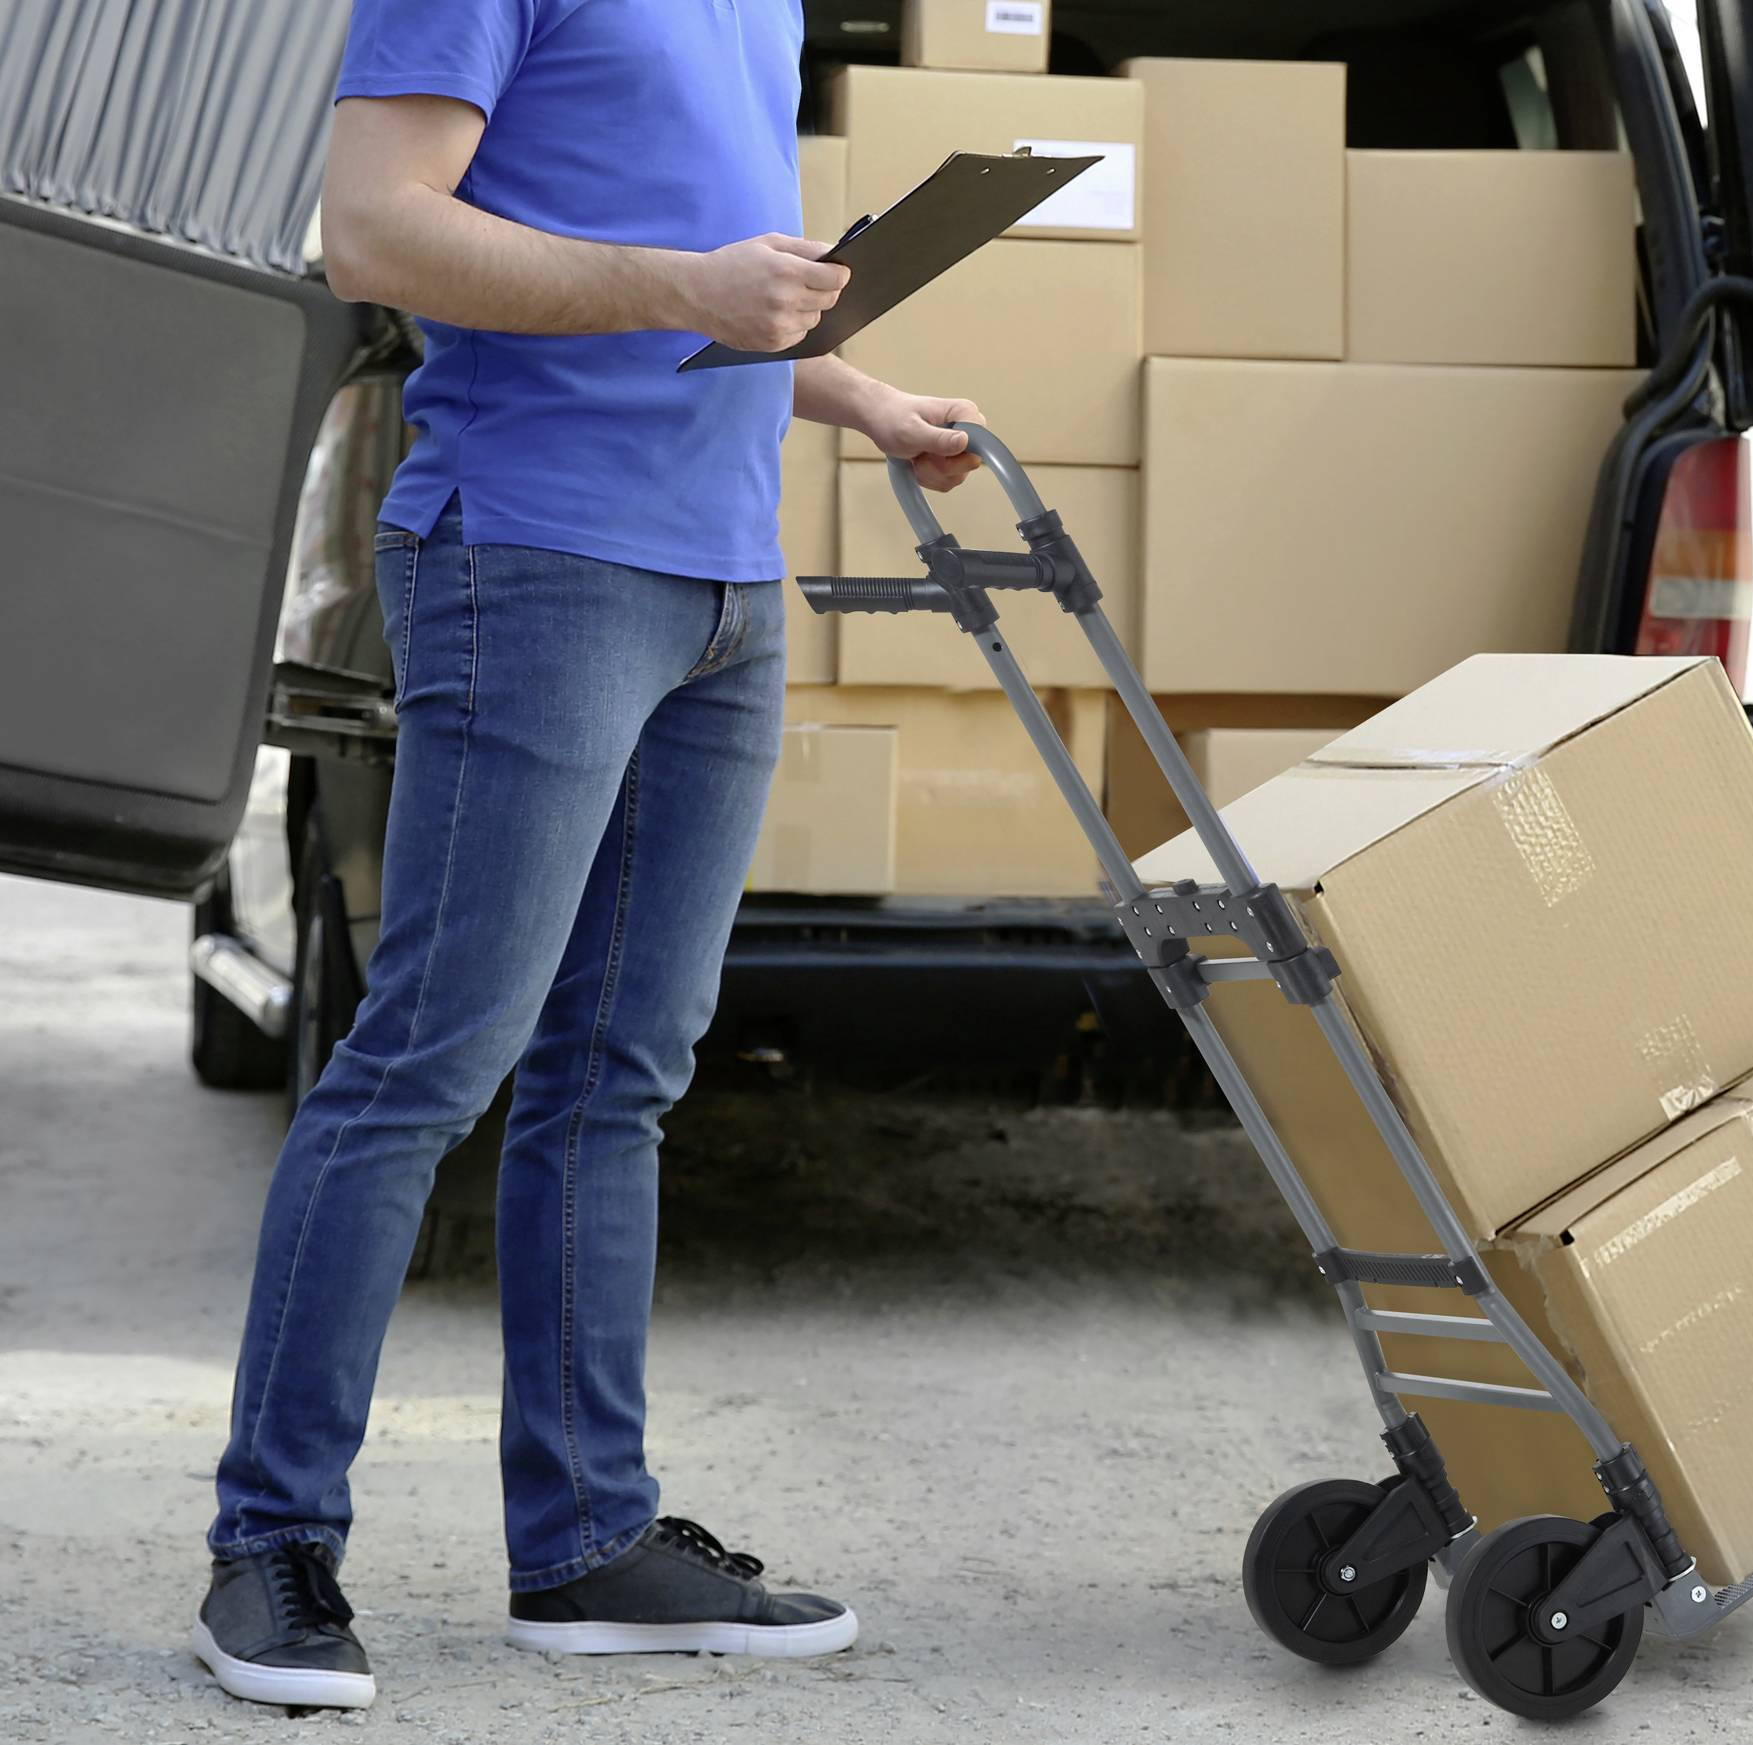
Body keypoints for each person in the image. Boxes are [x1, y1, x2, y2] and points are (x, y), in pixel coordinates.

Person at [190, 0, 976, 1711]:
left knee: (618, 1070)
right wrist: (685, 285)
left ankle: (585, 1544)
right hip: (535, 557)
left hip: (724, 585)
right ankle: (269, 1542)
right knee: (427, 1060)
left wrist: (856, 391)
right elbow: (373, 227)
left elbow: (720, 283)